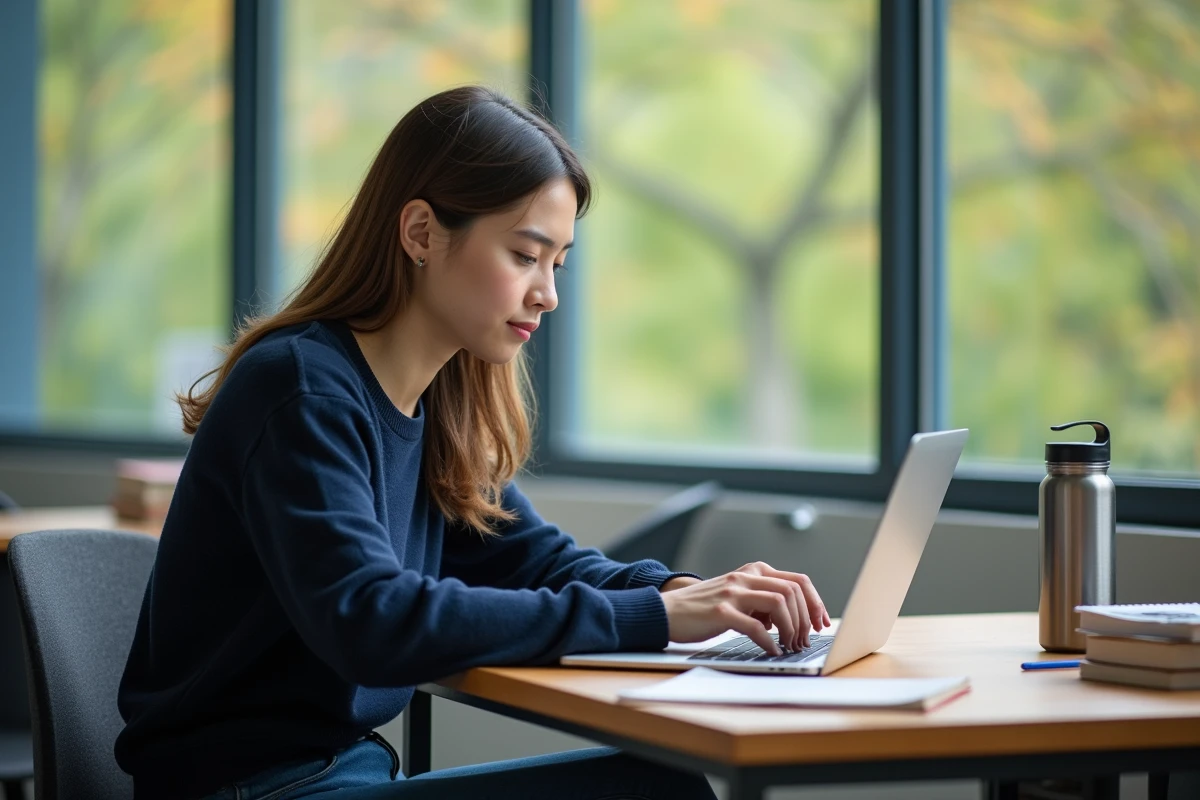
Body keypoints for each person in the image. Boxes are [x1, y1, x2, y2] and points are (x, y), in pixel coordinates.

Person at [115, 85, 830, 800]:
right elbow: (373, 618)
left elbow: (534, 559)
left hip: (342, 774)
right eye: (525, 255)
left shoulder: (435, 404)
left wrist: (679, 592)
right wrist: (659, 616)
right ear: (422, 233)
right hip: (253, 789)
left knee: (653, 783)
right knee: (651, 791)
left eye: (558, 263)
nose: (547, 292)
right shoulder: (299, 390)